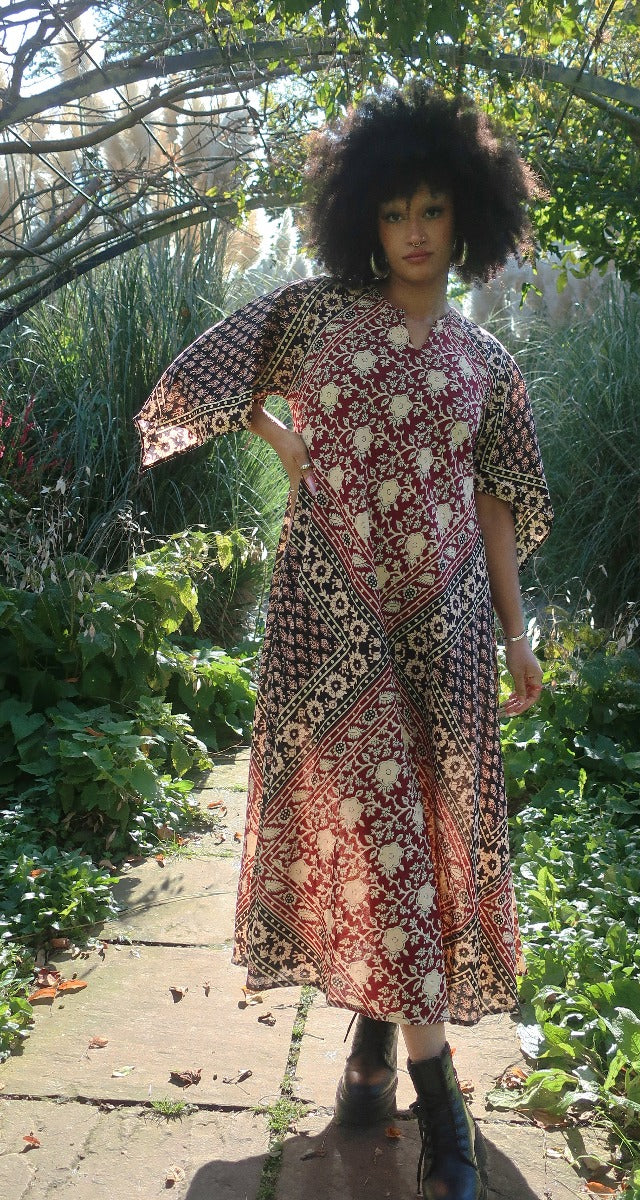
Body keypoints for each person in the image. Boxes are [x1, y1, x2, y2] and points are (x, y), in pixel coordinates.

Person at [135, 82, 553, 1200]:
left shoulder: (488, 367)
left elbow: (498, 506)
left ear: (465, 216)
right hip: (331, 619)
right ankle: (443, 1105)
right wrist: (288, 448)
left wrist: (518, 638)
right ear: (363, 220)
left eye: (431, 210)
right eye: (392, 212)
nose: (413, 232)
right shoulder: (315, 317)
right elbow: (210, 379)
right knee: (380, 834)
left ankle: (371, 1053)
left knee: (410, 842)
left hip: (448, 629)